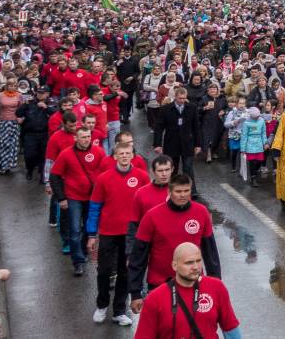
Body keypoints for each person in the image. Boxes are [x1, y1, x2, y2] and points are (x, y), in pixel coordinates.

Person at [129, 174, 221, 313]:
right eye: (178, 191)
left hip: (193, 281)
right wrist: (135, 293)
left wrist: (215, 285)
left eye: (186, 191)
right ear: (169, 192)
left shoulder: (201, 212)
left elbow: (211, 253)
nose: (183, 195)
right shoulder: (151, 216)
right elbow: (138, 257)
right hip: (159, 284)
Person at [86, 141, 150, 326]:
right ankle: (102, 305)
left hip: (131, 235)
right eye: (120, 153)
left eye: (127, 153)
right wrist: (91, 234)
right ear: (115, 156)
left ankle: (119, 311)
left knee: (126, 272)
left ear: (133, 155)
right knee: (104, 271)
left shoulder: (142, 177)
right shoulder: (104, 178)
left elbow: (148, 206)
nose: (124, 156)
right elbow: (95, 207)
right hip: (108, 232)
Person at [134, 242, 242, 339]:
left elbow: (230, 328)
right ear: (174, 266)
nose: (196, 267)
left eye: (198, 261)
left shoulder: (217, 287)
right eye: (189, 263)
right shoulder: (154, 299)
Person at [49, 126, 106, 276]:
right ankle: (78, 262)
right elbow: (54, 176)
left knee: (89, 229)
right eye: (83, 137)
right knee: (74, 230)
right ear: (75, 138)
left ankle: (83, 251)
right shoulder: (66, 154)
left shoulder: (99, 152)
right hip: (73, 198)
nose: (86, 139)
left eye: (88, 136)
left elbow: (107, 173)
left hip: (93, 198)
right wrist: (61, 198)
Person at [153, 86, 200, 196]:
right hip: (171, 143)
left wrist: (198, 144)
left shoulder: (192, 108)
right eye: (180, 98)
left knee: (188, 168)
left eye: (184, 98)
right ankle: (171, 190)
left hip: (187, 143)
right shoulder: (166, 109)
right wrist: (157, 144)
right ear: (175, 97)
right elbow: (159, 127)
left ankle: (191, 191)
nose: (182, 101)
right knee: (172, 169)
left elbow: (196, 127)